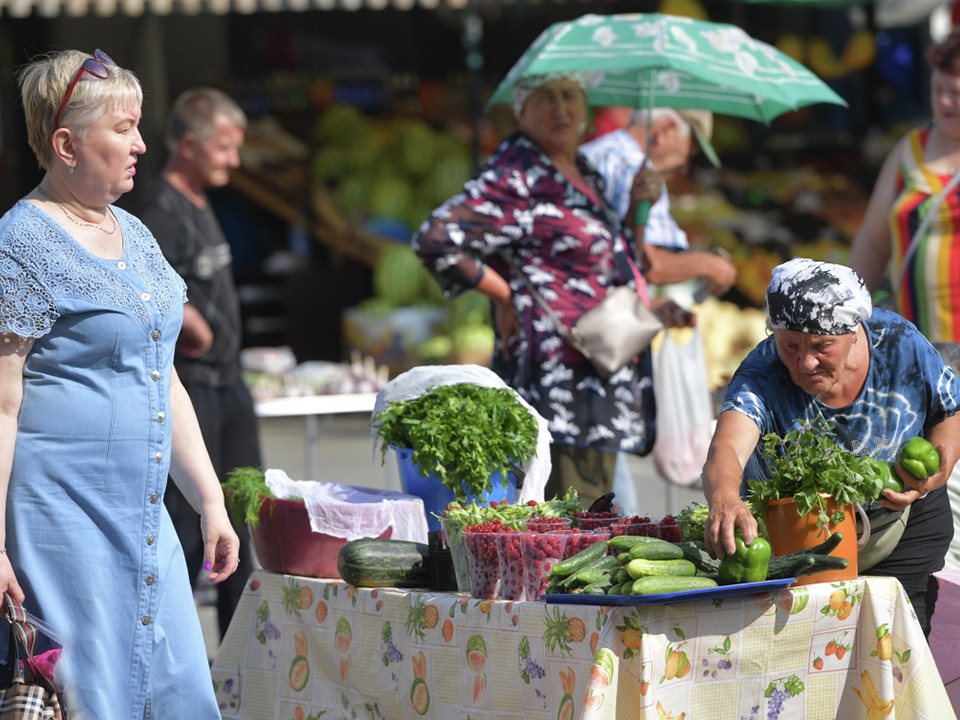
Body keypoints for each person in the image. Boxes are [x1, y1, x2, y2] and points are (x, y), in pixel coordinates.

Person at [3, 49, 239, 718]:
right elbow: (2, 405)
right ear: (66, 144)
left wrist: (209, 501)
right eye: (124, 128)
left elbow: (161, 378)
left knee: (181, 692)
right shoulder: (19, 243)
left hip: (142, 520)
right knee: (96, 697)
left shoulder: (135, 234)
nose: (140, 144)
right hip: (61, 521)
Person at [413, 72, 693, 506]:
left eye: (569, 97)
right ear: (522, 111)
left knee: (590, 518)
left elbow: (612, 263)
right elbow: (436, 239)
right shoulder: (518, 175)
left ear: (585, 110)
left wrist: (640, 210)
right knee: (567, 522)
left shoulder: (582, 171)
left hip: (597, 372)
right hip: (557, 379)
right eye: (545, 98)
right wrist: (503, 293)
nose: (560, 108)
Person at [701, 257, 959, 636]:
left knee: (899, 647)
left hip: (901, 528)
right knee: (808, 650)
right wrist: (724, 496)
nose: (805, 362)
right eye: (790, 345)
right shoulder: (762, 372)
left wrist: (939, 468)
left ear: (855, 330)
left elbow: (948, 409)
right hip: (799, 536)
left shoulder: (899, 344)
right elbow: (727, 447)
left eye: (822, 346)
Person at [137, 87, 261, 642]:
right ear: (189, 145)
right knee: (191, 526)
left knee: (245, 515)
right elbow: (143, 279)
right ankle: (172, 646)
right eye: (224, 149)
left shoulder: (205, 201)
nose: (234, 161)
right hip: (194, 389)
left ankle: (242, 652)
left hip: (229, 383)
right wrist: (187, 317)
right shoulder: (159, 206)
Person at [849, 28, 960, 570]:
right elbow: (872, 241)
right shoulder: (910, 151)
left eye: (959, 94)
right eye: (941, 88)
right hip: (919, 350)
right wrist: (845, 319)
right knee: (928, 473)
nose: (947, 101)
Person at [579, 108, 737, 298]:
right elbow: (648, 264)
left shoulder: (598, 150)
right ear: (665, 130)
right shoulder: (637, 169)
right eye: (690, 151)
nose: (684, 168)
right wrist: (711, 266)